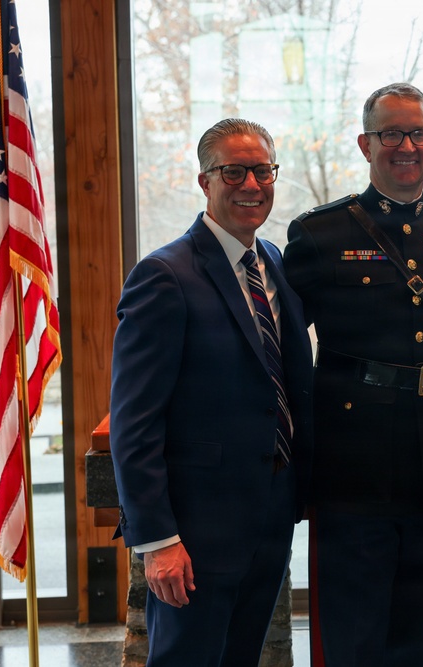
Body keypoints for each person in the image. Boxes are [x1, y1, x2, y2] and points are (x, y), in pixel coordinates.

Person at [283, 82, 423, 667]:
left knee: (421, 626)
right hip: (354, 455)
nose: (406, 145)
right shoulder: (320, 235)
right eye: (391, 133)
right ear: (366, 144)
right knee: (352, 625)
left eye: (417, 133)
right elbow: (288, 354)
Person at [109, 118, 313, 667]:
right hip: (195, 534)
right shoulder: (164, 276)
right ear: (205, 181)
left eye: (263, 170)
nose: (252, 183)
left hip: (270, 516)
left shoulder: (271, 261)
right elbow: (134, 423)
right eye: (234, 171)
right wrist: (157, 540)